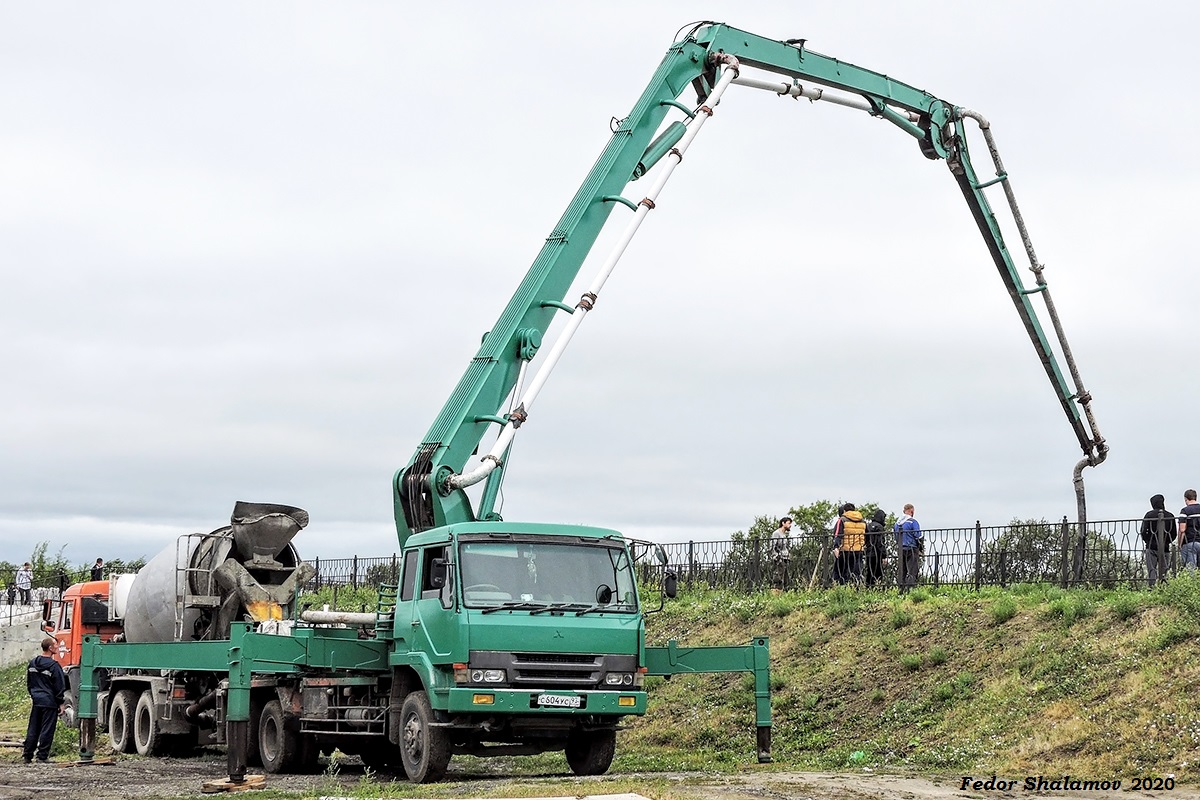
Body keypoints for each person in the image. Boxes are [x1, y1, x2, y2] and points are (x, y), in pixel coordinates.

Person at [22, 637, 66, 764]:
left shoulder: (33, 663)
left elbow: (29, 683)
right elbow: (59, 686)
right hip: (49, 702)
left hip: (37, 700)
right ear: (50, 648)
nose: (57, 647)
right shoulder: (54, 666)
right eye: (56, 645)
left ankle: (27, 755)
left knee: (33, 728)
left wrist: (34, 695)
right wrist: (60, 702)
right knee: (47, 729)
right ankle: (42, 756)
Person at [1141, 494, 1175, 587]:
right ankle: (1163, 588)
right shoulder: (1170, 515)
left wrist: (1147, 541)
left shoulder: (1149, 515)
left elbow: (1143, 531)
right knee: (1164, 570)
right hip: (1165, 547)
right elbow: (1173, 533)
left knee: (1151, 569)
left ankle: (1151, 588)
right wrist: (1167, 541)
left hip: (1151, 546)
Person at [831, 503, 866, 586]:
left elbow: (838, 534)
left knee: (841, 573)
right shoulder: (862, 521)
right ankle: (856, 588)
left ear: (844, 511)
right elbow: (866, 535)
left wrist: (836, 547)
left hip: (845, 550)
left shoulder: (842, 520)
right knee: (856, 572)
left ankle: (841, 588)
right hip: (858, 550)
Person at [895, 503, 922, 592]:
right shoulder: (912, 522)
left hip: (901, 549)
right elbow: (917, 535)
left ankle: (900, 589)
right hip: (911, 548)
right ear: (911, 511)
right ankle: (910, 589)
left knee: (902, 570)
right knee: (912, 570)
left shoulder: (897, 524)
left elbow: (896, 537)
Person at [864, 508, 889, 588]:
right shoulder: (880, 527)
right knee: (878, 573)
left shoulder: (869, 526)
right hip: (877, 554)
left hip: (869, 553)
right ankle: (877, 588)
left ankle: (868, 588)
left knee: (870, 572)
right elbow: (880, 543)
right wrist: (884, 555)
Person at [1179, 489, 1200, 570]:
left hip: (1190, 542)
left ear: (1185, 499)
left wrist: (1180, 544)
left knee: (1191, 570)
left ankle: (1193, 583)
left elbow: (1182, 529)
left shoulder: (1185, 511)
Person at [770, 517, 793, 589]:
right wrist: (776, 557)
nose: (790, 525)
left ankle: (785, 593)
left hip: (785, 558)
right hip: (779, 559)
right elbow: (772, 546)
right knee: (778, 578)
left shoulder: (783, 534)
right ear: (783, 523)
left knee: (786, 578)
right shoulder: (776, 533)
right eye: (789, 523)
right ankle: (776, 594)